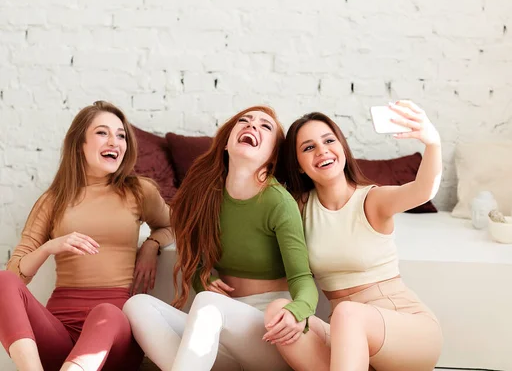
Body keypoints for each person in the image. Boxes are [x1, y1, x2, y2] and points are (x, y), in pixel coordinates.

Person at [123, 105, 318, 371]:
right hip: (216, 329)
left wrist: (298, 312)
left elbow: (302, 279)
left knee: (208, 304)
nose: (252, 126)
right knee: (137, 306)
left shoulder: (278, 202)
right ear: (226, 143)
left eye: (265, 126)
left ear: (273, 155)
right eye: (245, 121)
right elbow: (195, 259)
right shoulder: (208, 195)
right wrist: (205, 279)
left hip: (267, 333)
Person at [267, 102, 443, 371]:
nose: (322, 150)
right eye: (308, 147)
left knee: (348, 314)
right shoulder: (299, 208)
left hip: (407, 331)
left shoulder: (371, 199)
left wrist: (433, 143)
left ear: (342, 149)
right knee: (279, 311)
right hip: (347, 339)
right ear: (299, 165)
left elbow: (423, 190)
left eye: (329, 140)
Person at [0, 101, 173, 371]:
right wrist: (50, 247)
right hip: (60, 334)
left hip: (114, 339)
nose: (114, 141)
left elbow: (174, 225)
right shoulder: (53, 200)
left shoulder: (139, 191)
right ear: (80, 144)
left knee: (106, 313)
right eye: (103, 133)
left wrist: (152, 244)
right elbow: (16, 273)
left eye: (121, 135)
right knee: (2, 280)